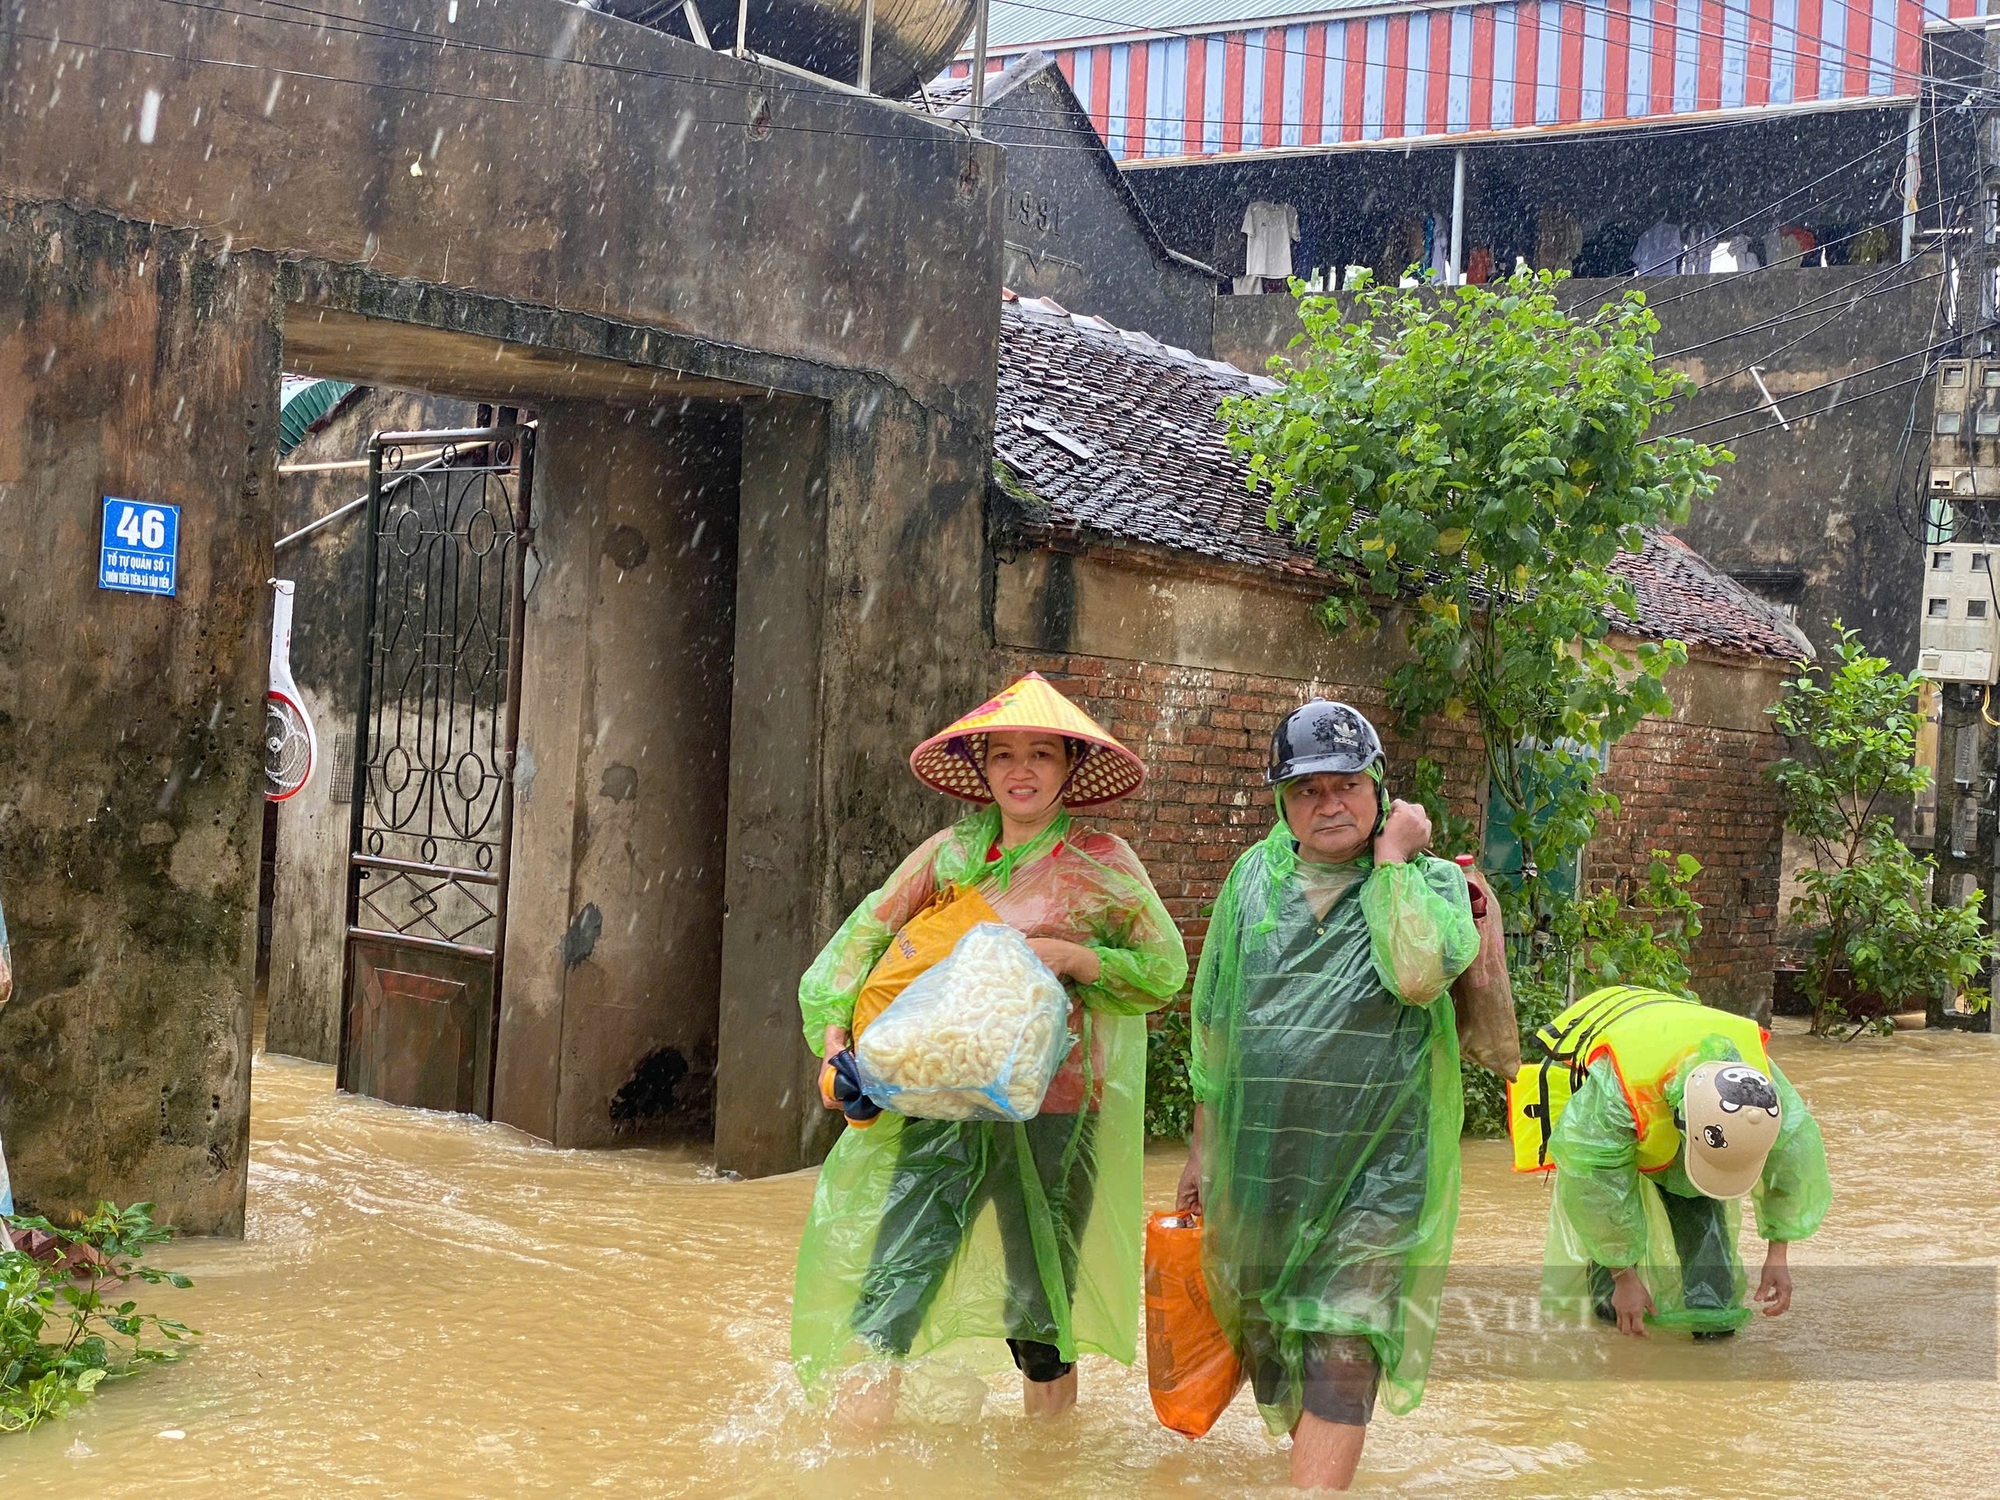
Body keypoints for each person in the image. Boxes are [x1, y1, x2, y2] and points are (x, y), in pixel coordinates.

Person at [790, 673, 1188, 1421]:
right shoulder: (950, 858)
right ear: (981, 768)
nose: (1022, 770)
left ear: (1069, 767)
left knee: (1041, 1314)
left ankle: (1045, 1469)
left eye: (1041, 753)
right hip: (939, 1101)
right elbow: (863, 937)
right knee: (892, 1294)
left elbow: (1164, 968)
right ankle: (851, 1465)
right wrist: (835, 1036)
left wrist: (1078, 960)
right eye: (1003, 755)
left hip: (1055, 1116)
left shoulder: (1103, 863)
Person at [1177, 700, 1478, 1491]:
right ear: (1283, 802)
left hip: (1380, 1168)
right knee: (1277, 1335)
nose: (1329, 803)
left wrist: (1392, 865)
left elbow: (1417, 975)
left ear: (1380, 792)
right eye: (1308, 790)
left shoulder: (1432, 883)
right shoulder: (1254, 879)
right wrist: (1203, 1148)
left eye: (1347, 785)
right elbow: (1215, 1021)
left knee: (1346, 1340)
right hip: (1266, 1157)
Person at [1535, 985, 1831, 1340]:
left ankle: (1712, 1325)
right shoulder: (1617, 1096)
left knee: (1700, 1215)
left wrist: (1778, 1253)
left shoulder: (1762, 1091)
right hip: (1624, 1081)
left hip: (1680, 1087)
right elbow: (1595, 1188)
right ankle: (1613, 1309)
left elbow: (1794, 1164)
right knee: (1612, 1220)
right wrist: (1623, 1277)